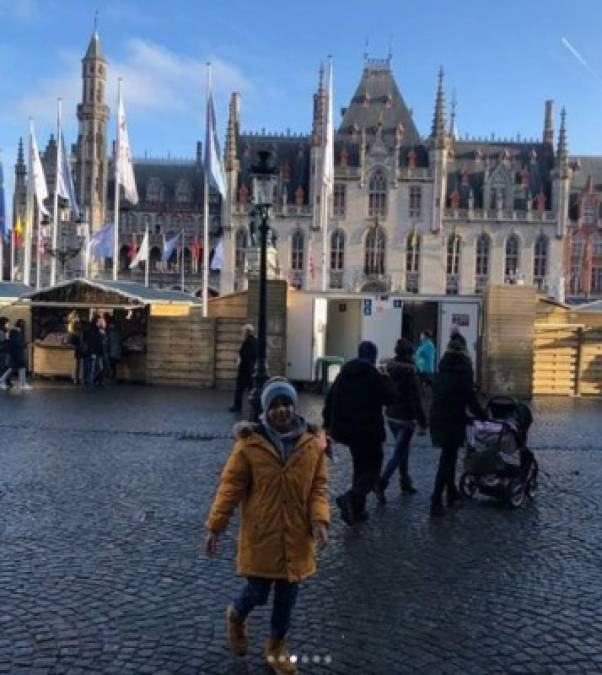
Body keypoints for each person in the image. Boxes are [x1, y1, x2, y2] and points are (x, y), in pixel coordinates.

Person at [205, 377, 329, 674]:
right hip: (263, 535)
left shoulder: (312, 445)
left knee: (287, 598)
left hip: (298, 536)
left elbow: (318, 487)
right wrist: (215, 526)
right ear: (265, 411)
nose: (282, 411)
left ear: (294, 406)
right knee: (258, 592)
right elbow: (230, 487)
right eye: (275, 406)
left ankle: (276, 646)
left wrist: (320, 519)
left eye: (286, 404)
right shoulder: (249, 446)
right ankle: (236, 615)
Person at [322, 340, 396, 525]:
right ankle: (351, 497)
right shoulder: (374, 374)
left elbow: (330, 398)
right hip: (369, 431)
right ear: (373, 356)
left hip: (347, 431)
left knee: (359, 466)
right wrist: (386, 376)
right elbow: (390, 397)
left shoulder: (344, 372)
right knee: (374, 468)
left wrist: (327, 424)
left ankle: (357, 510)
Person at [429, 337, 486, 517]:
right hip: (453, 418)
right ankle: (436, 499)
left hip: (438, 417)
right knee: (447, 460)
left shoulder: (442, 367)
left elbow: (438, 391)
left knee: (449, 457)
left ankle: (451, 493)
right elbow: (469, 397)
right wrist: (482, 415)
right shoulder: (464, 369)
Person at [375, 338, 427, 502]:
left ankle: (405, 482)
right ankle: (381, 484)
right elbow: (416, 400)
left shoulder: (389, 369)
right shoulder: (410, 373)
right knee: (399, 453)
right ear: (409, 354)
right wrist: (423, 422)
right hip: (405, 418)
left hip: (391, 416)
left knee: (403, 449)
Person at [229, 324, 258, 413]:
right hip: (251, 369)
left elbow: (246, 356)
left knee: (240, 389)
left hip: (245, 369)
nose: (242, 333)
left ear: (247, 332)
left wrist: (240, 362)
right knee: (252, 389)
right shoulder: (255, 341)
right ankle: (256, 407)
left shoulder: (248, 342)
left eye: (243, 331)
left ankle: (237, 407)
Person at [0, 319, 31, 391]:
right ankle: (22, 384)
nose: (8, 324)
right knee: (8, 367)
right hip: (8, 352)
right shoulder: (11, 332)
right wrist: (24, 345)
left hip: (10, 352)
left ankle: (3, 381)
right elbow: (9, 343)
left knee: (12, 368)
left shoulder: (9, 332)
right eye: (7, 323)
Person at [66, 310, 83, 385]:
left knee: (76, 364)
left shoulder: (71, 326)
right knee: (76, 364)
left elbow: (70, 337)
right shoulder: (74, 326)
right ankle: (76, 378)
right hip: (77, 348)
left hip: (75, 348)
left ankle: (76, 378)